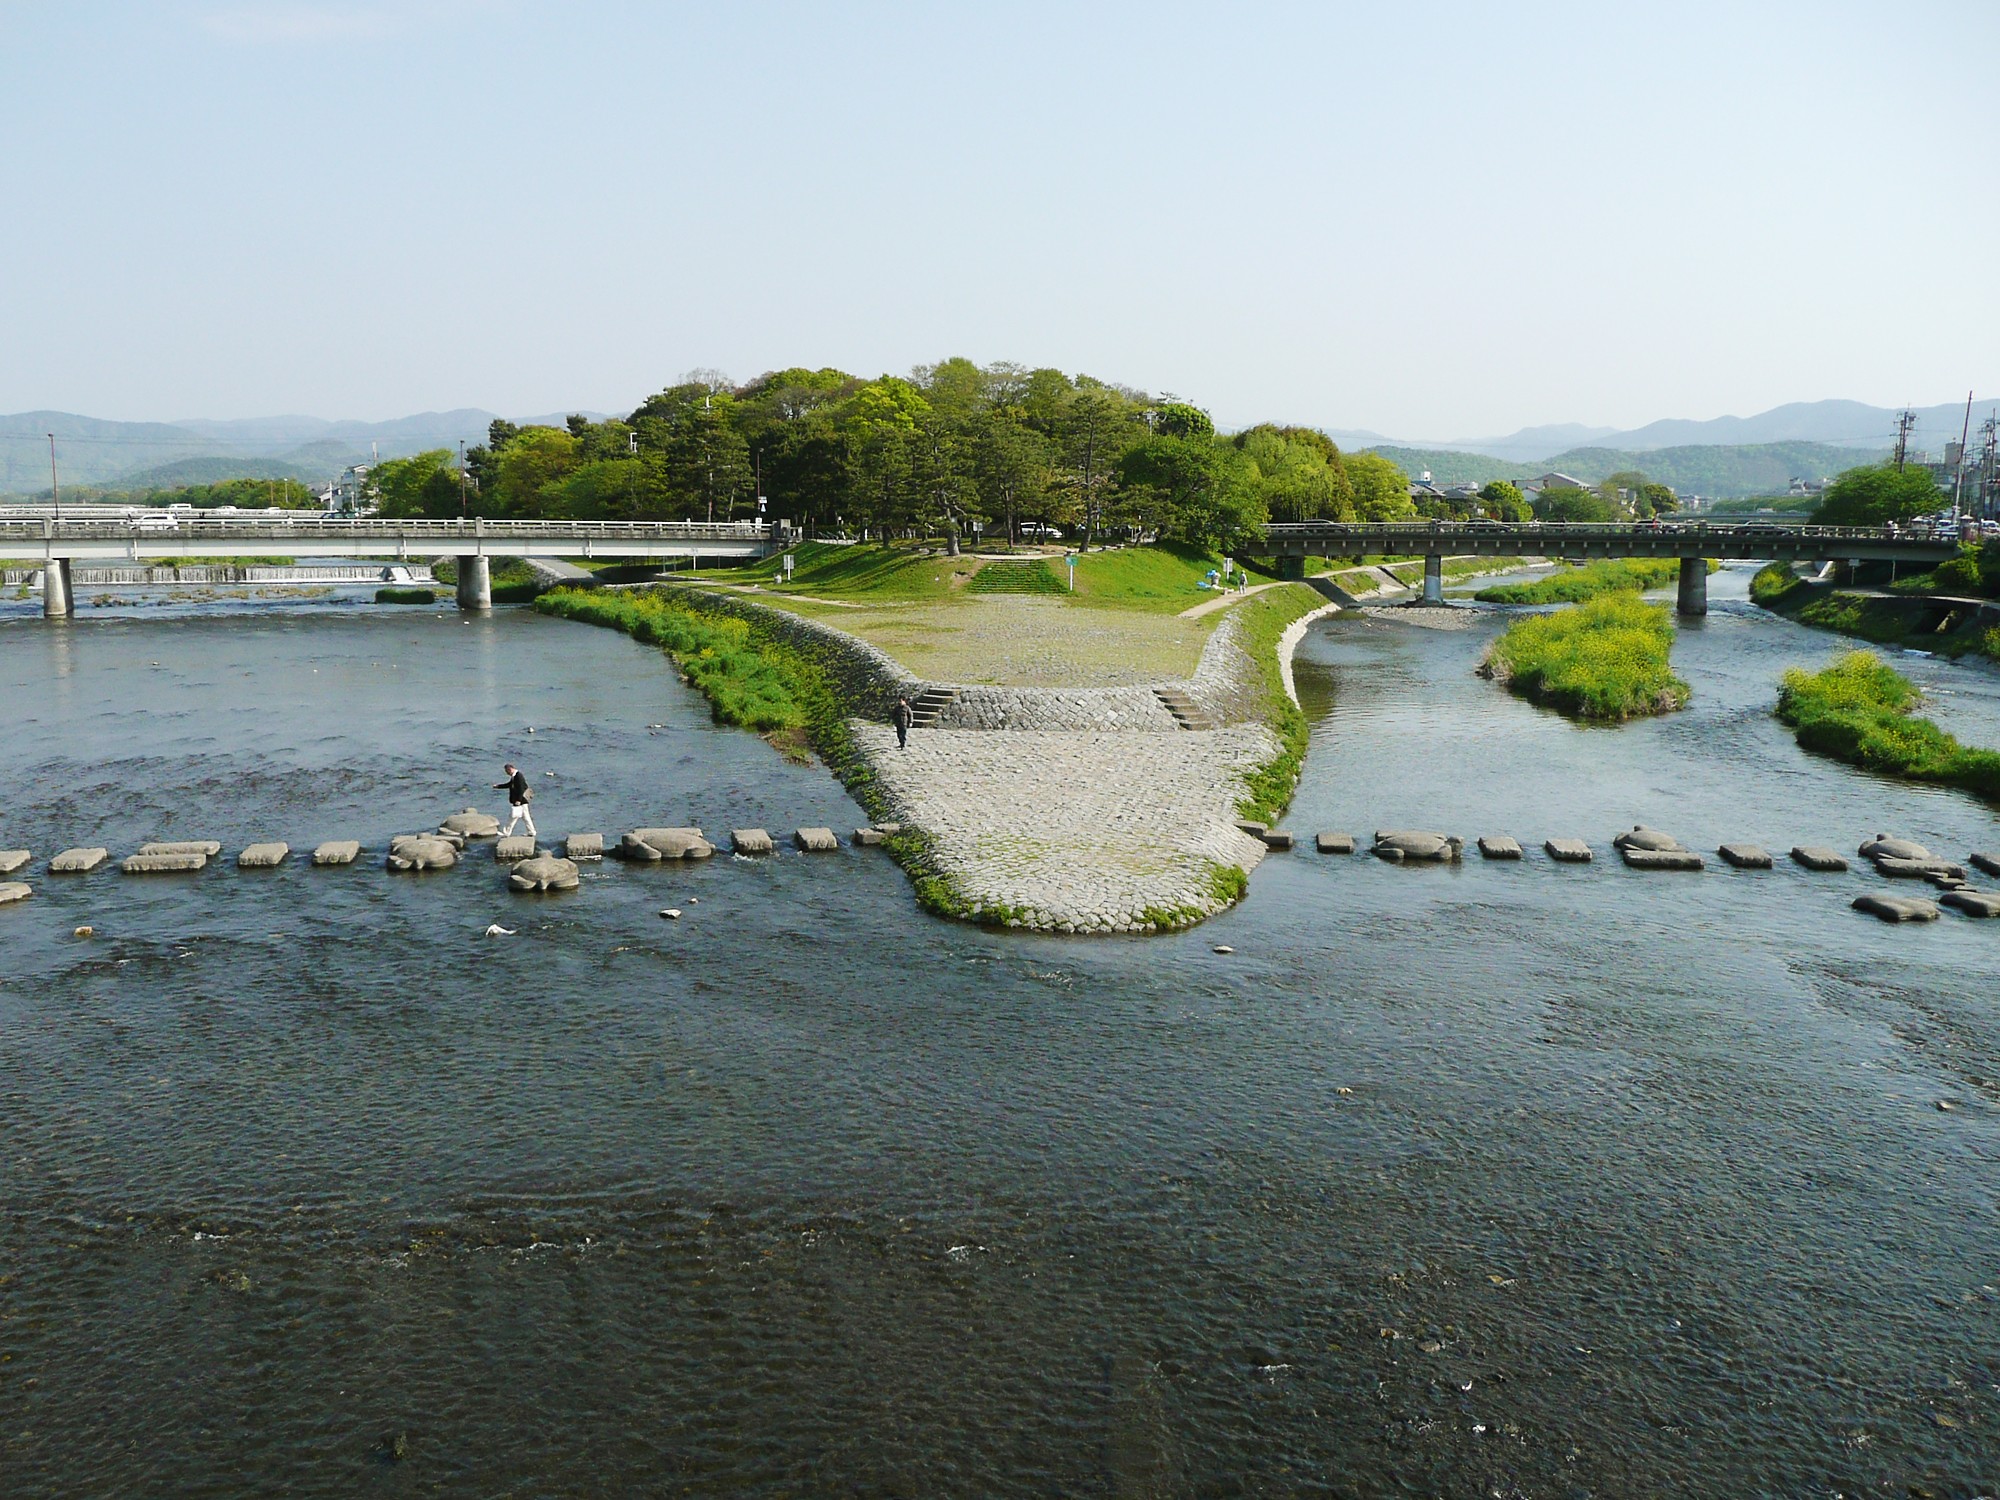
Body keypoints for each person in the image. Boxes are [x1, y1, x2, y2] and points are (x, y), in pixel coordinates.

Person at [495, 762, 536, 838]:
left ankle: (506, 833)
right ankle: (531, 832)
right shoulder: (515, 776)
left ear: (510, 769)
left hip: (520, 801)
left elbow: (521, 789)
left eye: (507, 771)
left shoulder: (518, 776)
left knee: (513, 816)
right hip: (522, 801)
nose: (507, 773)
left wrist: (518, 800)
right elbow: (509, 784)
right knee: (526, 817)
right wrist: (498, 786)